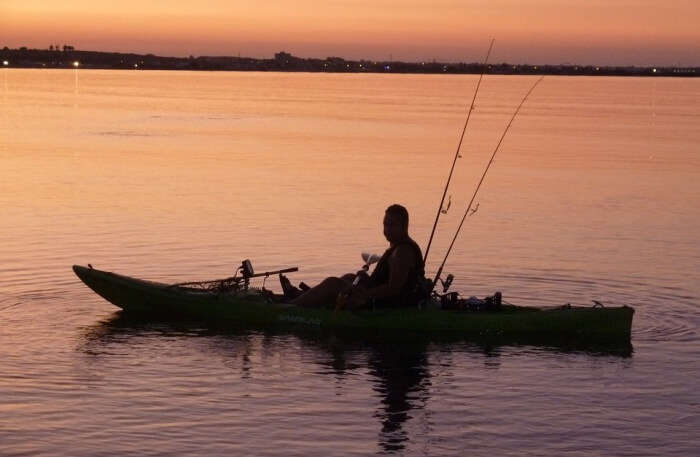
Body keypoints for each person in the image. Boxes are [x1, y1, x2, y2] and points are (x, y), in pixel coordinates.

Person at [281, 204, 425, 308]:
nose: (386, 229)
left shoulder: (402, 252)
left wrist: (364, 294)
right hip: (376, 296)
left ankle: (291, 308)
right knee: (350, 277)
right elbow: (384, 280)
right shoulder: (397, 245)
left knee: (332, 283)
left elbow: (394, 289)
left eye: (392, 225)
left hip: (385, 304)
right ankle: (301, 297)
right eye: (385, 224)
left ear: (404, 226)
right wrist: (366, 279)